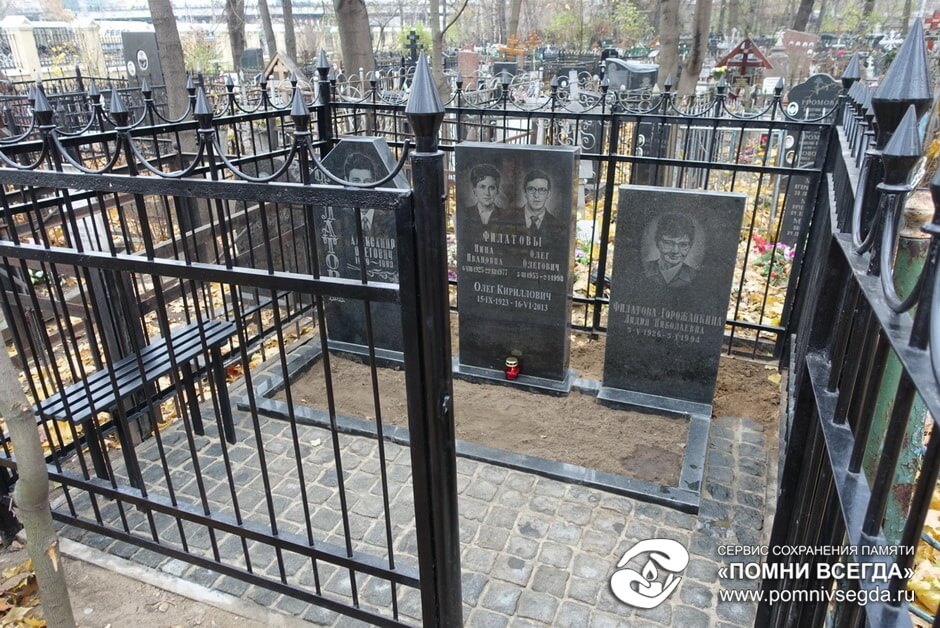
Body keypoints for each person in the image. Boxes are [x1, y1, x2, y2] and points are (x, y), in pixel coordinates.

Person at [643, 213, 699, 288]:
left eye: (683, 245)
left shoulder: (695, 275)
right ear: (657, 242)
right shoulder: (644, 269)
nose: (675, 251)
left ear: (690, 246)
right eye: (668, 243)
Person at [342, 152, 386, 234]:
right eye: (356, 181)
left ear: (374, 183)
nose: (362, 188)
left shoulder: (388, 217)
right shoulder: (340, 218)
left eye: (367, 181)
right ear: (346, 181)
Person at [516, 169, 556, 234]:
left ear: (548, 194)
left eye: (542, 190)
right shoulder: (510, 218)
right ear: (525, 192)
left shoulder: (557, 225)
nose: (536, 195)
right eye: (531, 189)